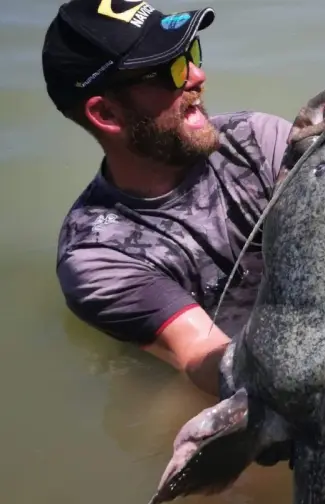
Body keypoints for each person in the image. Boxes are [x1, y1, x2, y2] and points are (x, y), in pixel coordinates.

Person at [43, 0, 293, 396]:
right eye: (170, 70)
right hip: (248, 371)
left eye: (191, 54)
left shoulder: (256, 141)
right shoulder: (98, 254)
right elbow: (201, 354)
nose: (197, 76)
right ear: (106, 114)